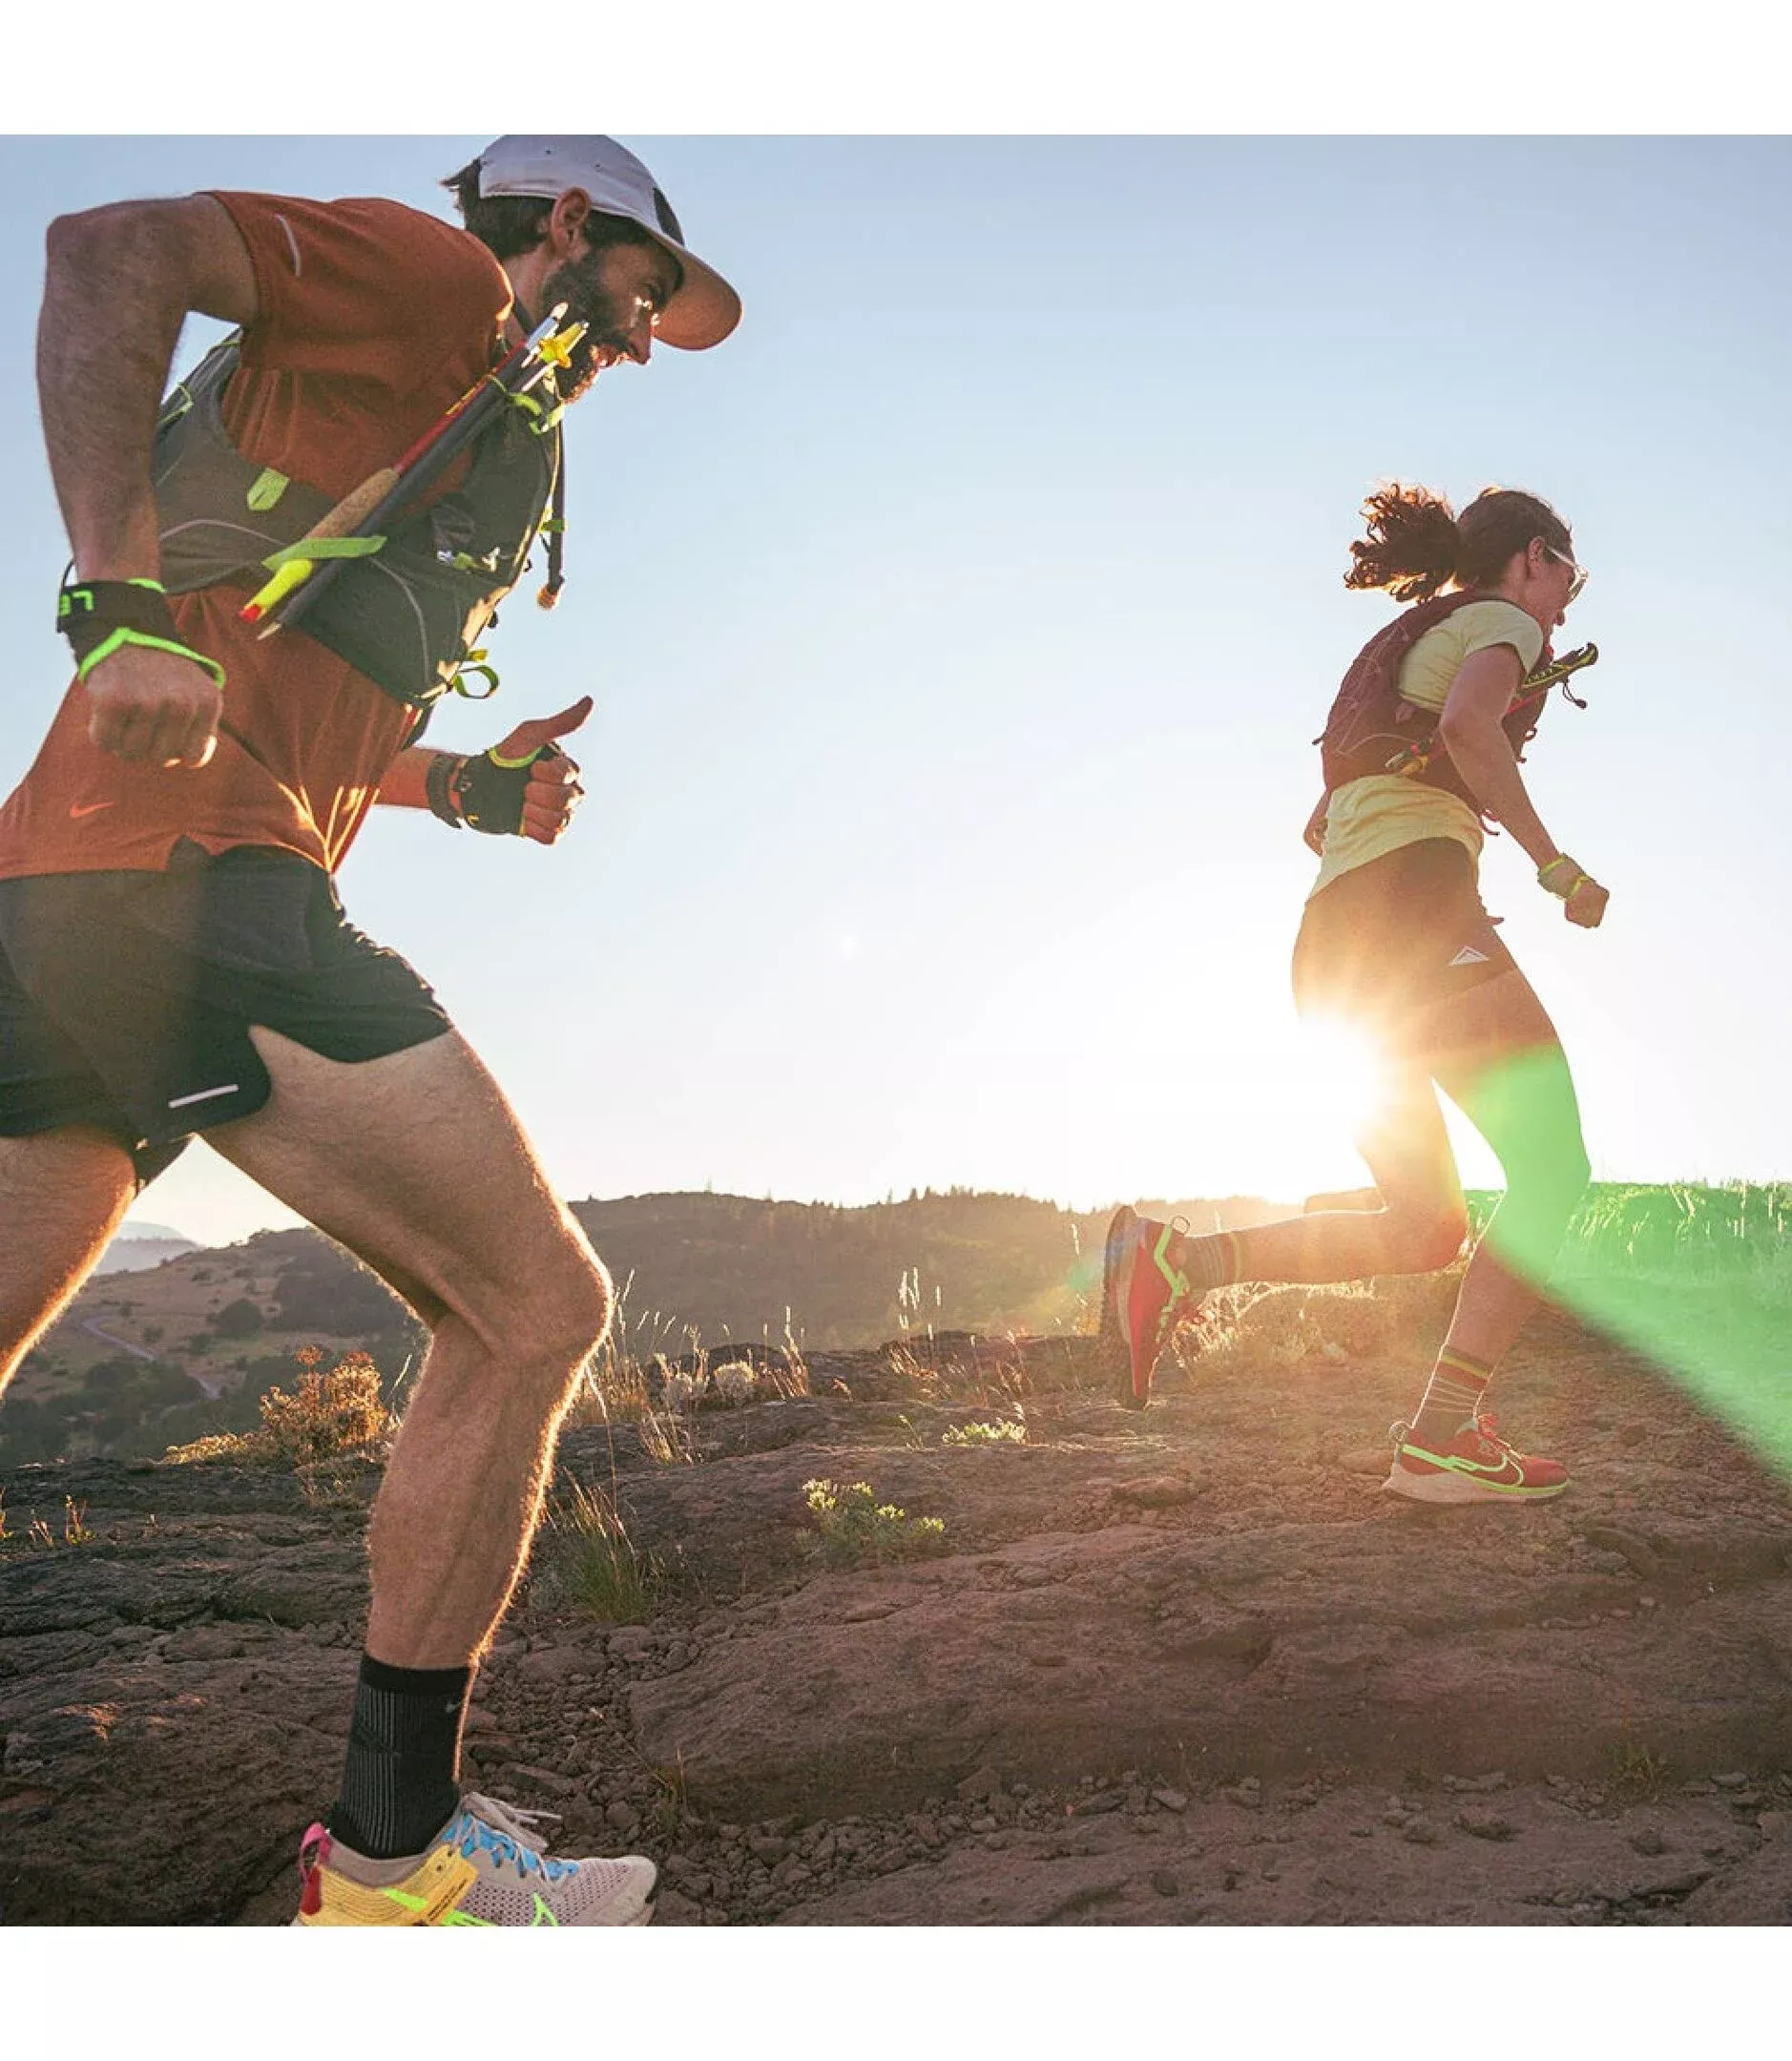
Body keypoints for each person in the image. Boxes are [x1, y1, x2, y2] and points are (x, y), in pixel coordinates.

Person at [0, 135, 740, 1925]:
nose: (643, 338)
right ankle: (396, 1872)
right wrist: (109, 605)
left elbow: (297, 681)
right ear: (568, 224)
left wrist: (462, 789)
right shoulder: (431, 276)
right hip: (196, 883)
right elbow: (105, 246)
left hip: (69, 886)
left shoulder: (464, 390)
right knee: (534, 1308)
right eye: (644, 291)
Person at [1101, 484, 1604, 1506]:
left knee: (1426, 1225)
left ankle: (1179, 1262)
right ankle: (1442, 1435)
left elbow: (1325, 820)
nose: (1566, 602)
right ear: (1532, 558)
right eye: (1569, 576)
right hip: (1414, 919)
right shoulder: (1501, 622)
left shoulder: (1398, 651)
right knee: (1553, 1169)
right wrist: (1553, 866)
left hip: (1333, 945)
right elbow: (1471, 727)